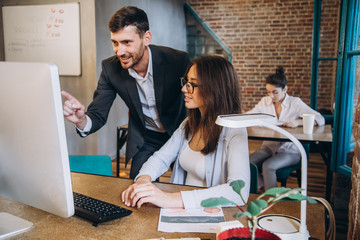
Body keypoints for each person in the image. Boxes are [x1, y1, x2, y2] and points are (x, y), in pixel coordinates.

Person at [61, 6, 189, 179]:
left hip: (180, 134)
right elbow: (98, 113)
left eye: (127, 42)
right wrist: (82, 120)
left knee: (188, 184)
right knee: (136, 187)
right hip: (146, 138)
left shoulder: (177, 60)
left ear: (146, 38)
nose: (119, 51)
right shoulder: (110, 68)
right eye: (115, 42)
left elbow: (197, 96)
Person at [121, 56, 250, 209]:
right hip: (182, 211)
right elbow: (161, 158)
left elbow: (238, 192)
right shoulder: (189, 124)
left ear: (214, 89)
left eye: (192, 84)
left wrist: (168, 199)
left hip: (212, 218)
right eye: (185, 82)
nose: (184, 89)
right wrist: (143, 179)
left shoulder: (235, 130)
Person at [247, 66, 325, 191]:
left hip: (290, 151)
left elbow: (320, 119)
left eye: (275, 92)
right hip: (269, 147)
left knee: (268, 166)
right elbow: (250, 115)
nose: (271, 96)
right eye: (268, 92)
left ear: (285, 89)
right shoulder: (264, 102)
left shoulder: (295, 103)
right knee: (247, 163)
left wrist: (298, 122)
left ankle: (272, 200)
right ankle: (262, 188)